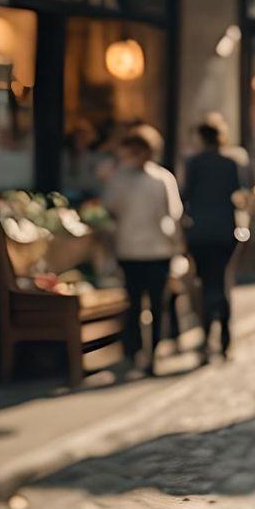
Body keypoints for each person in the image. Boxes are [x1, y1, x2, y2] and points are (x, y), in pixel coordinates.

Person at [103, 126, 182, 374]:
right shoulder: (120, 178)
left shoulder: (160, 178)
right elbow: (108, 211)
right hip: (134, 250)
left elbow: (173, 215)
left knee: (153, 304)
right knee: (138, 303)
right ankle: (138, 351)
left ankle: (150, 352)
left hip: (155, 250)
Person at [181, 117, 249, 360]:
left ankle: (207, 336)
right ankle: (225, 338)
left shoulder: (194, 163)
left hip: (200, 231)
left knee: (206, 283)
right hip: (224, 230)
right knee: (222, 282)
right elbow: (240, 193)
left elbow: (185, 195)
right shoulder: (231, 162)